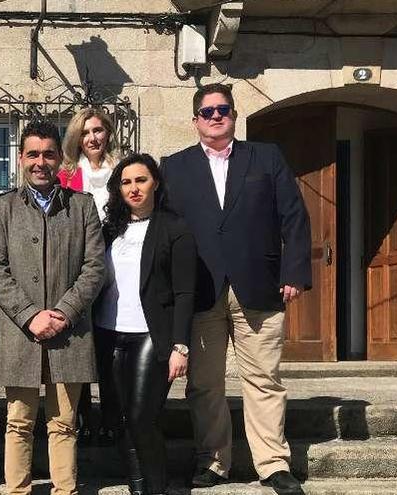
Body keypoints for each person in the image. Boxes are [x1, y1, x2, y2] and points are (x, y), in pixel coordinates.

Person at [161, 83, 312, 495]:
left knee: (263, 378)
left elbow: (294, 217)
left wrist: (294, 272)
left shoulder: (266, 157)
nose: (215, 116)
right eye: (207, 111)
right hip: (200, 289)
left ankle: (273, 463)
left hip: (260, 286)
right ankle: (213, 462)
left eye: (222, 109)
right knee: (205, 384)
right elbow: (165, 231)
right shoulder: (173, 167)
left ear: (233, 114)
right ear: (195, 121)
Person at [0, 120, 106, 495]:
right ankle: (17, 490)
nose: (41, 162)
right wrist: (30, 315)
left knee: (64, 422)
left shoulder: (82, 206)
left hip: (69, 332)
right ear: (21, 158)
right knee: (18, 421)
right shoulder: (1, 208)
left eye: (48, 154)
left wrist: (64, 311)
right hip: (19, 332)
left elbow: (94, 267)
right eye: (33, 154)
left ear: (59, 158)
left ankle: (64, 490)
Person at [97, 153, 196, 495]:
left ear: (155, 183)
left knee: (142, 417)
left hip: (151, 335)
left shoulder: (175, 228)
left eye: (141, 180)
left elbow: (185, 293)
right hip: (109, 333)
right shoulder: (109, 229)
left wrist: (180, 347)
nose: (134, 188)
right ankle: (137, 487)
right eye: (126, 182)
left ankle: (157, 488)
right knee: (121, 420)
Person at [60, 108, 120, 445]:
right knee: (80, 344)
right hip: (79, 272)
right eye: (85, 133)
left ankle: (113, 415)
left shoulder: (121, 170)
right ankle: (81, 415)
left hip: (117, 270)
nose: (92, 138)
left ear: (107, 133)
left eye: (98, 131)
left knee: (110, 345)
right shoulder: (66, 176)